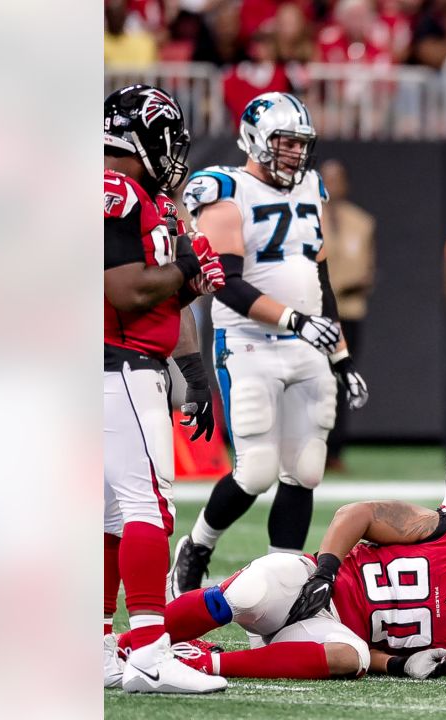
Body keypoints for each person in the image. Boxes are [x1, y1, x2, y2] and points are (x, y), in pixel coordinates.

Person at [170, 93, 370, 598]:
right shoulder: (225, 189)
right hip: (251, 342)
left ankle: (282, 582)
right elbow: (226, 283)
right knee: (256, 470)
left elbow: (319, 275)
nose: (294, 154)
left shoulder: (311, 187)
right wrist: (294, 320)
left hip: (305, 342)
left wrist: (340, 354)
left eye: (301, 144)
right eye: (284, 142)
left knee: (304, 470)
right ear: (256, 140)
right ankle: (197, 546)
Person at [103, 84, 228, 694]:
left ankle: (99, 645)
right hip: (117, 365)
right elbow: (126, 291)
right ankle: (150, 651)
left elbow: (157, 295)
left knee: (107, 517)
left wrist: (195, 371)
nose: (175, 151)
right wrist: (188, 267)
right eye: (167, 138)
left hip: (120, 363)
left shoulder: (141, 196)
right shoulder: (116, 192)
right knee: (147, 508)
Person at [155, 501, 446, 680]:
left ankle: (205, 665)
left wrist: (397, 666)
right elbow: (358, 514)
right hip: (311, 583)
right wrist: (325, 574)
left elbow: (368, 657)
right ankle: (137, 643)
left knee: (348, 657)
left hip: (327, 635)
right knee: (248, 594)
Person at [320, 159, 377, 472]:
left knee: (343, 380)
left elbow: (367, 270)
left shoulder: (362, 222)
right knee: (313, 380)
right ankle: (307, 447)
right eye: (327, 179)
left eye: (337, 179)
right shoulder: (308, 217)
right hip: (314, 312)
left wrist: (350, 285)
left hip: (349, 311)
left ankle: (335, 450)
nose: (332, 185)